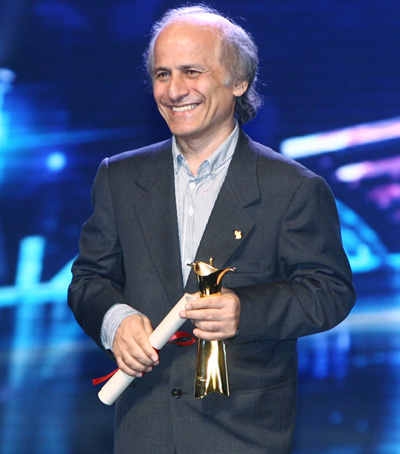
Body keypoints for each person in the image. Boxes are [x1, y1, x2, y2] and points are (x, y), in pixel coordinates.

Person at [68, 5, 355, 453]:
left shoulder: (293, 188)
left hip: (245, 432)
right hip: (144, 428)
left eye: (192, 72)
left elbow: (330, 290)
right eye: (162, 74)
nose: (174, 90)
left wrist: (246, 310)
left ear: (239, 81)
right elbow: (89, 279)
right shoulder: (119, 178)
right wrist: (115, 320)